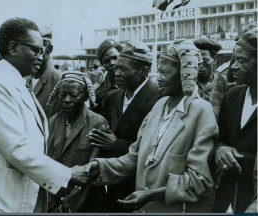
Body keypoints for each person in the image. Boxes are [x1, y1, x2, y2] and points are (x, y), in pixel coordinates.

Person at [0, 18, 88, 213]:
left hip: (8, 195)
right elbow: (17, 149)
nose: (41, 56)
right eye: (36, 50)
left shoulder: (15, 81)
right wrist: (67, 175)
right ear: (13, 48)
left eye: (43, 51)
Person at [85, 39, 218, 213]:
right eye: (159, 72)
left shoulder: (201, 111)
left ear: (185, 74)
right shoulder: (159, 106)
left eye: (164, 73)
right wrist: (101, 166)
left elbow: (200, 181)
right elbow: (135, 157)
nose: (159, 78)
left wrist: (151, 194)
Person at [88, 39, 162, 212]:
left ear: (143, 71)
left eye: (123, 69)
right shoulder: (112, 98)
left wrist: (116, 144)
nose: (116, 73)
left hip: (141, 187)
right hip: (113, 181)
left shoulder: (159, 98)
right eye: (116, 68)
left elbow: (157, 150)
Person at [46, 72, 107, 213]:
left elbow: (92, 172)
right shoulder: (53, 122)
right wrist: (53, 204)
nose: (67, 100)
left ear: (85, 96)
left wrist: (68, 206)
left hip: (86, 203)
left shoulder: (97, 122)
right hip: (56, 198)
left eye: (73, 95)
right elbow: (47, 162)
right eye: (63, 94)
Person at [211, 27, 257, 213]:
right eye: (234, 60)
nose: (233, 67)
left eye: (242, 60)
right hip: (225, 200)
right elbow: (218, 136)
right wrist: (220, 148)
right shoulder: (232, 96)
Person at [26, 28, 61, 118]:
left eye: (39, 50)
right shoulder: (25, 79)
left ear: (49, 49)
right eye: (31, 50)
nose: (34, 55)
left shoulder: (59, 80)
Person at [194, 36, 230, 118]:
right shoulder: (189, 84)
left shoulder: (224, 83)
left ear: (214, 59)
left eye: (205, 60)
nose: (201, 65)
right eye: (197, 61)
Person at [91, 39, 123, 114]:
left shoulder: (133, 84)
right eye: (106, 61)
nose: (112, 63)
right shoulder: (97, 92)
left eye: (115, 58)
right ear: (102, 64)